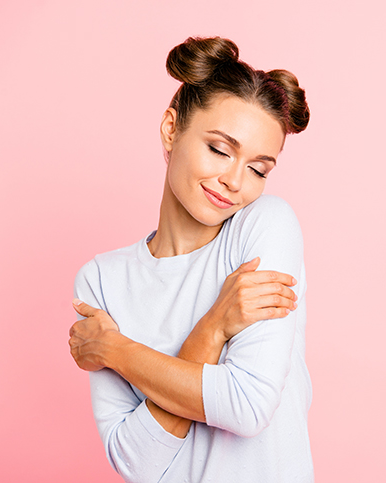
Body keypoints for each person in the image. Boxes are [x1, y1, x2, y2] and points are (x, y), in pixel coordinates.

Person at [68, 36, 312, 483]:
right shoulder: (102, 280)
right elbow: (135, 463)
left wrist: (115, 350)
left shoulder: (264, 227)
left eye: (259, 169)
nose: (235, 180)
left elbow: (246, 406)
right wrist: (215, 326)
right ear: (170, 129)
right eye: (220, 149)